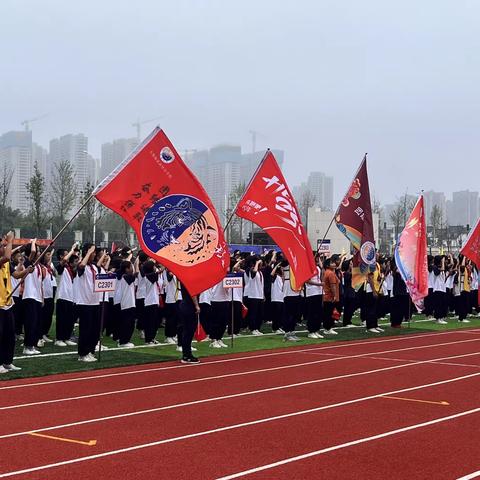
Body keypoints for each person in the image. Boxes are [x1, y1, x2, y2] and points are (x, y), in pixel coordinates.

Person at [0, 232, 32, 373]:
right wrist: (11, 240)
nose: (4, 247)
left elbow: (16, 275)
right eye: (2, 245)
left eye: (4, 245)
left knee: (9, 335)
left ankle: (7, 361)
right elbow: (7, 256)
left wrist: (27, 271)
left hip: (8, 303)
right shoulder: (4, 260)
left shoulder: (7, 265)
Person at [75, 244, 101, 362]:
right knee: (85, 329)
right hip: (85, 302)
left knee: (94, 329)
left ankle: (90, 350)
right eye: (93, 252)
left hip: (95, 301)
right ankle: (82, 353)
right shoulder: (83, 266)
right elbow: (80, 267)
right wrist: (88, 253)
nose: (94, 254)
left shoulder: (94, 267)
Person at [55, 244, 79, 346]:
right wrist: (72, 249)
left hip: (70, 297)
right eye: (67, 254)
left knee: (69, 319)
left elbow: (76, 266)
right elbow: (65, 260)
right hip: (62, 296)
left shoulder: (70, 269)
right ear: (61, 256)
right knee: (62, 319)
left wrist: (77, 255)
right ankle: (59, 339)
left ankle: (67, 337)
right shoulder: (60, 267)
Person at [177, 282, 200, 364]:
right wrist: (196, 305)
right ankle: (187, 355)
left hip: (185, 305)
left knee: (187, 331)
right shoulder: (189, 281)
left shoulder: (184, 280)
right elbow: (193, 294)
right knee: (189, 331)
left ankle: (186, 353)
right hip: (189, 306)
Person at [305, 255, 324, 339]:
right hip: (311, 292)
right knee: (312, 313)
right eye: (316, 257)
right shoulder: (308, 267)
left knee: (318, 312)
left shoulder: (317, 267)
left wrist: (321, 264)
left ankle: (316, 330)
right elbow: (307, 281)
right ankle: (311, 331)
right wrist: (319, 284)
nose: (317, 259)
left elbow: (321, 275)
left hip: (319, 291)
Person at [322, 257, 339, 335]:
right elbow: (333, 285)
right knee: (329, 313)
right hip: (329, 296)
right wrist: (335, 295)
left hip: (326, 296)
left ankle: (327, 328)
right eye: (332, 263)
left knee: (327, 313)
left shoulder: (327, 272)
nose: (334, 264)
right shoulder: (330, 273)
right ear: (328, 265)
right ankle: (328, 328)